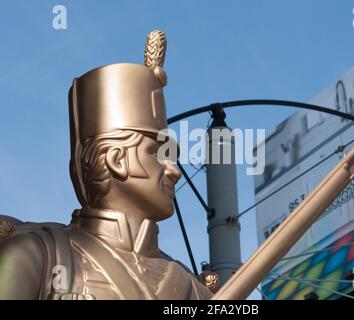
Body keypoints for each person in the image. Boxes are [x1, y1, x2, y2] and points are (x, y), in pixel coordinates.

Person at [0, 30, 215, 300]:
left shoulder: (193, 288)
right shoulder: (39, 257)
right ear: (116, 159)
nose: (174, 171)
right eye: (158, 154)